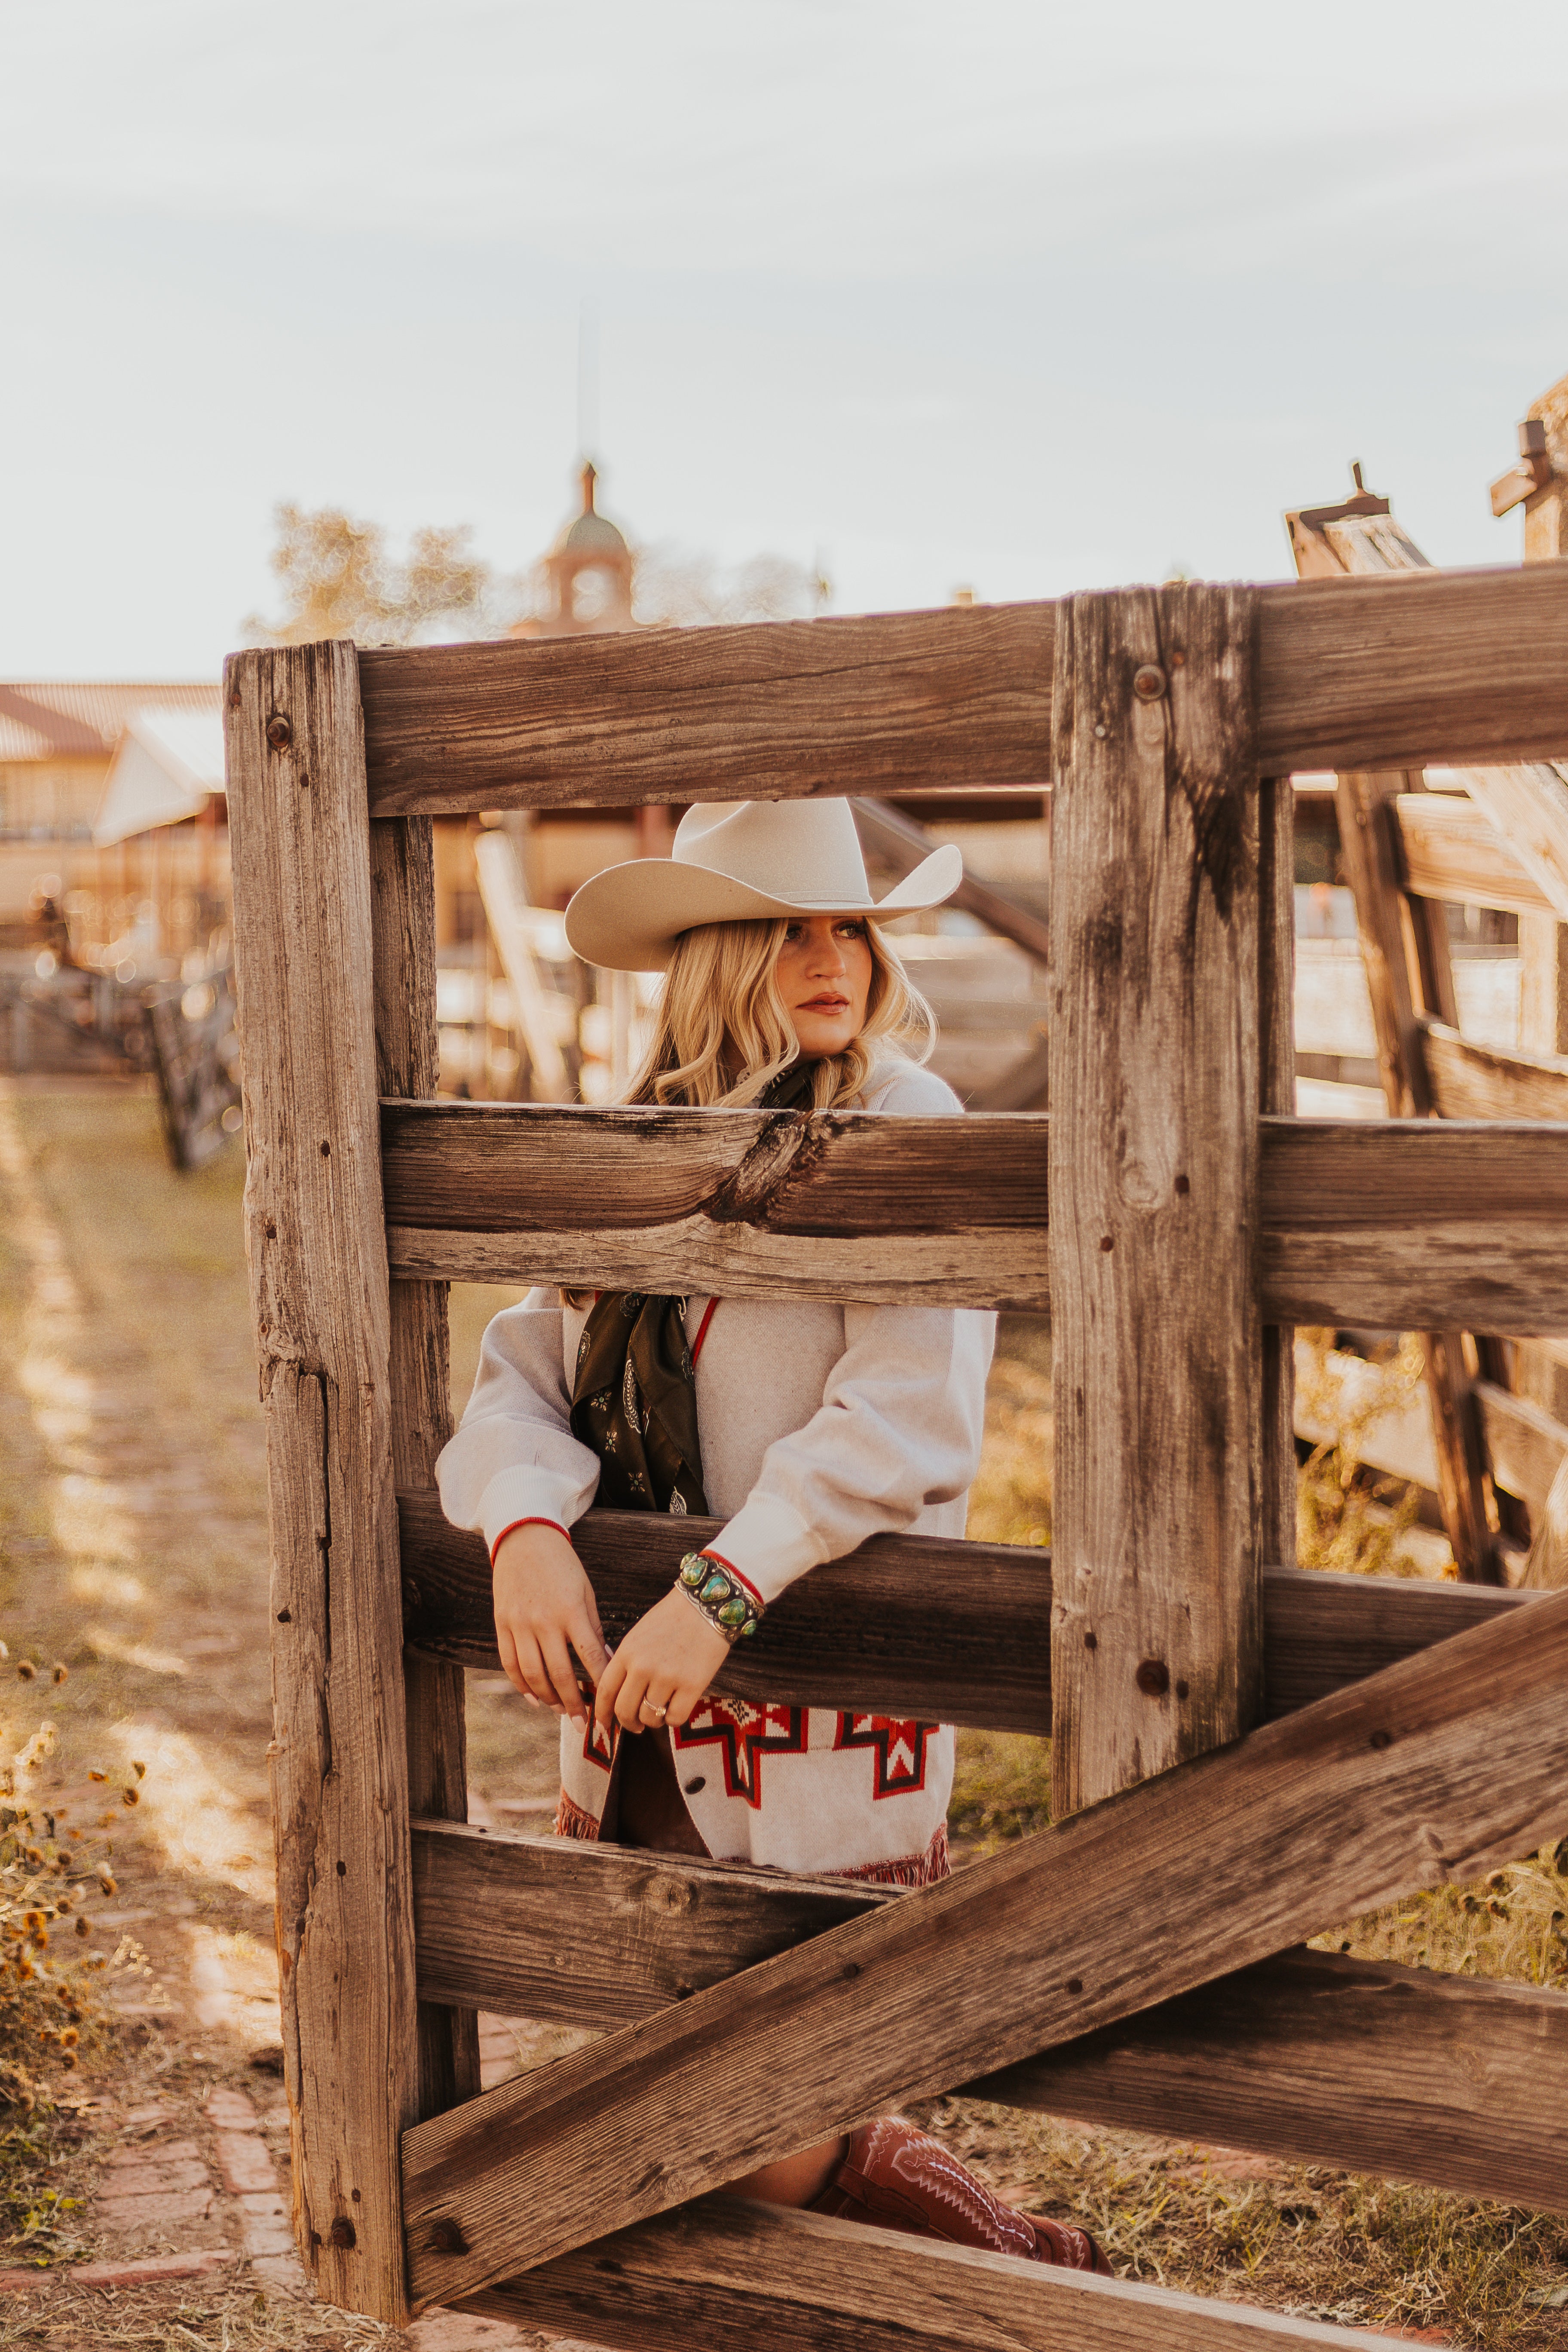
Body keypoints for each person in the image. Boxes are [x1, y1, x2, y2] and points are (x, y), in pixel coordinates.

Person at [435, 797, 1109, 2273]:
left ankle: (1024, 2268)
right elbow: (518, 1381)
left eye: (849, 926)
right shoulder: (634, 1145)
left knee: (758, 2122)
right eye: (787, 925)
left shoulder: (899, 1124)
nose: (831, 956)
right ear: (713, 952)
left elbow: (906, 1413)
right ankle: (998, 2267)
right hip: (637, 1713)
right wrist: (527, 1529)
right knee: (678, 2101)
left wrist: (722, 1591)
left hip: (807, 1689)